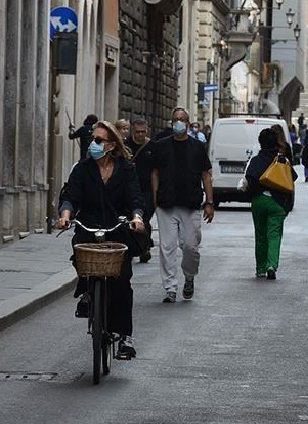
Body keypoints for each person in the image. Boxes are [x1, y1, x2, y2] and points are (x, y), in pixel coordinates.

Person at [57, 120, 146, 359]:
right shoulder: (82, 169)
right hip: (89, 226)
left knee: (122, 281)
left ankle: (125, 337)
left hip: (117, 229)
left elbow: (135, 198)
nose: (92, 144)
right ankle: (87, 291)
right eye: (92, 139)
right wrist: (65, 216)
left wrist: (137, 218)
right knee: (82, 258)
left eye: (98, 140)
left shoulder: (126, 169)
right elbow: (70, 196)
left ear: (111, 145)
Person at [151, 108, 215, 303]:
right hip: (166, 204)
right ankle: (170, 288)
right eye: (175, 119)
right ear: (172, 123)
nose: (178, 122)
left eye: (182, 119)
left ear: (188, 124)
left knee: (190, 246)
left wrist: (210, 202)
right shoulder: (161, 146)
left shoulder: (197, 147)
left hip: (191, 203)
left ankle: (189, 276)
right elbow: (154, 173)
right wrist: (155, 199)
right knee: (167, 247)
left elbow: (206, 174)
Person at [245, 129, 298, 279]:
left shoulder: (256, 160)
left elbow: (250, 179)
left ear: (260, 142)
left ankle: (260, 268)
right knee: (274, 235)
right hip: (278, 203)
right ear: (276, 142)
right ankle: (271, 265)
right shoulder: (282, 160)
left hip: (259, 201)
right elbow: (292, 177)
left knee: (260, 235)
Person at [127, 118, 155, 263]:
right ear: (133, 130)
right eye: (138, 132)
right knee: (129, 219)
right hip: (129, 190)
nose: (140, 135)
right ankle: (133, 247)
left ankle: (144, 248)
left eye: (143, 132)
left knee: (144, 220)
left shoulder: (152, 146)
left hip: (147, 191)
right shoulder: (125, 145)